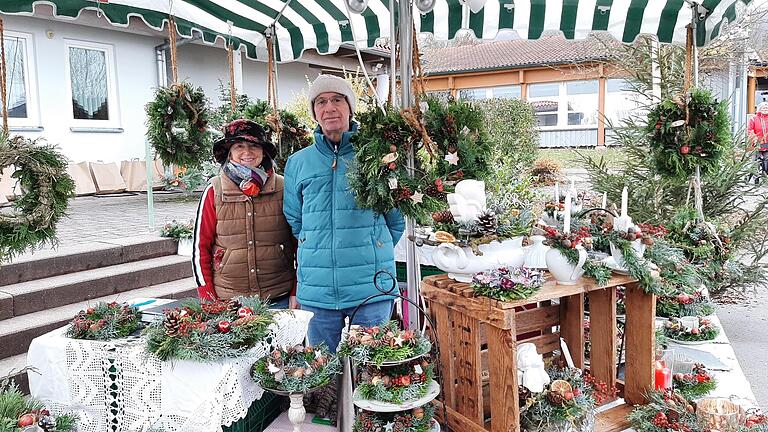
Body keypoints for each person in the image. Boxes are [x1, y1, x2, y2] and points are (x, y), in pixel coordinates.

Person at [283, 74, 405, 352]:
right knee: (323, 372)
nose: (329, 108)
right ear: (314, 111)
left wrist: (374, 246)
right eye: (321, 102)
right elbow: (295, 220)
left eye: (337, 100)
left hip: (371, 288)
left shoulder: (377, 155)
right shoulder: (298, 163)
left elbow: (396, 219)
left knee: (373, 367)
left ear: (350, 107)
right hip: (318, 290)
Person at [192, 119, 297, 308]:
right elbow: (200, 248)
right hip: (229, 301)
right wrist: (208, 297)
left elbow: (300, 242)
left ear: (263, 151)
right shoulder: (215, 190)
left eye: (254, 146)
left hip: (278, 296)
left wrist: (296, 291)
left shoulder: (283, 187)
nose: (247, 153)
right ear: (229, 152)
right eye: (239, 146)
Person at [749, 102, 768, 179]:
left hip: (767, 143)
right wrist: (754, 138)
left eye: (767, 108)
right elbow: (750, 130)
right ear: (759, 109)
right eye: (763, 108)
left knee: (766, 160)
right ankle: (755, 176)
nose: (765, 109)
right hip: (757, 143)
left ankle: (765, 177)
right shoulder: (754, 118)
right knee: (756, 160)